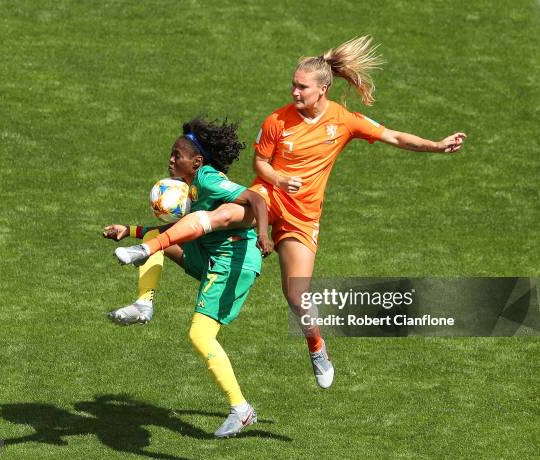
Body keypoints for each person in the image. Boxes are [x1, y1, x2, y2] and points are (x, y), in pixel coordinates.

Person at [114, 36, 467, 390]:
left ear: (323, 88)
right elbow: (260, 164)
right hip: (268, 195)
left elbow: (393, 136)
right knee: (221, 216)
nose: (295, 93)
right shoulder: (276, 121)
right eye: (293, 85)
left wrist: (436, 146)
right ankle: (145, 249)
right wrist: (279, 178)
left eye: (302, 87)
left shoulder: (343, 121)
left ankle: (317, 348)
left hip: (303, 218)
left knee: (297, 296)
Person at [105, 117, 271, 437]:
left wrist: (263, 236)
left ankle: (242, 409)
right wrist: (130, 230)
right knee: (158, 242)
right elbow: (176, 231)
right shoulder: (190, 187)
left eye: (176, 155)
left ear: (195, 161)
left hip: (232, 262)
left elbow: (256, 199)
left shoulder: (208, 178)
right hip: (208, 256)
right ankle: (144, 304)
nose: (170, 159)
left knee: (200, 335)